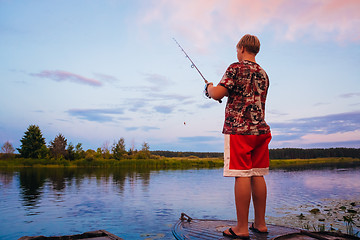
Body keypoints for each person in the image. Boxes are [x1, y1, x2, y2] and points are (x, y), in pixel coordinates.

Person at [206, 34, 271, 239]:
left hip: (239, 130)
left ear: (242, 48)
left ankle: (242, 228)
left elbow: (218, 93)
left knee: (242, 175)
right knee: (257, 173)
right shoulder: (263, 73)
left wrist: (208, 88)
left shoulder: (236, 67)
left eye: (237, 49)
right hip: (260, 131)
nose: (237, 52)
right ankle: (260, 223)